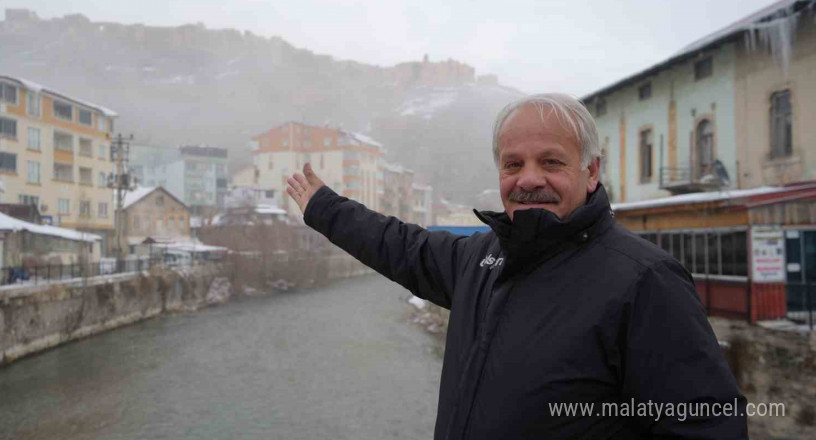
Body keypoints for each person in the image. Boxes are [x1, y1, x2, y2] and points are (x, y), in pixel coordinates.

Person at [286, 93, 747, 439]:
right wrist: (324, 209)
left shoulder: (644, 281)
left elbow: (706, 428)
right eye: (513, 164)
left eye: (551, 162)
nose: (528, 179)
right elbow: (401, 245)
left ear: (591, 172)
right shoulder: (481, 259)